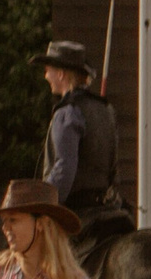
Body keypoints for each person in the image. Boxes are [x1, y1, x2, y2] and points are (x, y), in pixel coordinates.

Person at [34, 40, 121, 216]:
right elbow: (114, 167)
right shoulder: (106, 109)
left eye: (47, 71)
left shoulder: (67, 113)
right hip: (109, 207)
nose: (45, 76)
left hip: (77, 211)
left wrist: (42, 206)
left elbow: (64, 168)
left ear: (60, 74)